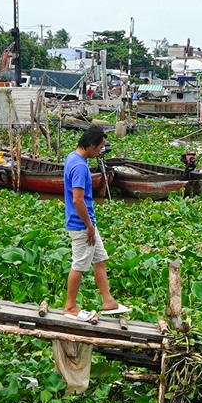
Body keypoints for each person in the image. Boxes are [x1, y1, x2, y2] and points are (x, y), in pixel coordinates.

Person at [63, 127, 129, 318]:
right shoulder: (80, 167)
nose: (101, 151)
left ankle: (108, 302)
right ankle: (70, 307)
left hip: (87, 222)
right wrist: (89, 226)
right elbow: (77, 200)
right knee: (79, 265)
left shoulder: (72, 157)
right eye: (100, 147)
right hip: (81, 225)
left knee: (100, 259)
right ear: (90, 145)